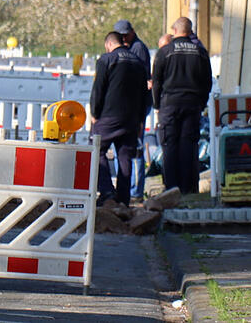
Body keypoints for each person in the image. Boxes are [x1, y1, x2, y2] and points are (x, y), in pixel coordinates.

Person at [151, 17, 212, 194]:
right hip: (192, 104)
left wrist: (157, 104)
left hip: (169, 104)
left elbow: (156, 81)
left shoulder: (165, 52)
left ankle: (171, 188)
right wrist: (201, 102)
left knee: (170, 146)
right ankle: (189, 187)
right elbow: (207, 81)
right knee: (189, 146)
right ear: (190, 31)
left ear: (175, 31)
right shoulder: (200, 52)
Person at [90, 31, 150, 207]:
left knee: (96, 150)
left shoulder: (106, 60)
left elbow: (98, 89)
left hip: (109, 116)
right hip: (131, 118)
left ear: (109, 44)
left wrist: (94, 113)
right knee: (125, 156)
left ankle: (107, 192)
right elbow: (144, 93)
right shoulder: (138, 62)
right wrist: (140, 119)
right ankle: (124, 198)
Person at [113, 19, 152, 202]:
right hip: (127, 107)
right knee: (125, 149)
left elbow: (140, 82)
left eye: (125, 35)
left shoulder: (138, 49)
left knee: (135, 149)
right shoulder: (129, 48)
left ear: (132, 32)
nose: (123, 38)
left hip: (135, 107)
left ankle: (135, 191)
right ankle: (127, 190)